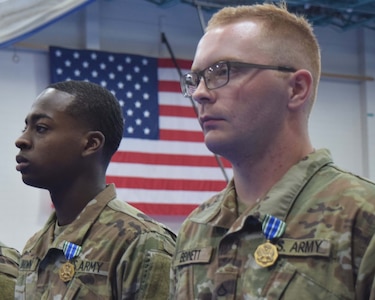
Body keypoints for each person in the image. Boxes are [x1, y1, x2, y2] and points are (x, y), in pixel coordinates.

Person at [171, 2, 375, 299]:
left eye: (223, 71)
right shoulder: (196, 228)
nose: (200, 93)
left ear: (296, 89)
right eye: (195, 79)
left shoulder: (362, 217)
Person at [14, 80, 176, 299]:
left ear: (91, 144)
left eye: (41, 128)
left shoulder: (141, 243)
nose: (21, 140)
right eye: (26, 128)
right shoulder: (35, 246)